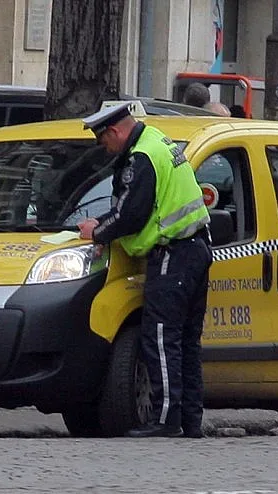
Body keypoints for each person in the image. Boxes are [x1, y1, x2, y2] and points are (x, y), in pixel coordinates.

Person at [77, 102, 213, 438]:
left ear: (114, 131)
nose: (103, 148)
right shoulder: (158, 141)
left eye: (103, 140)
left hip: (173, 254)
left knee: (162, 338)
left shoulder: (142, 157)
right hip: (194, 250)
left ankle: (165, 420)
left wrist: (97, 232)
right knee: (186, 342)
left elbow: (131, 214)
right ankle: (190, 421)